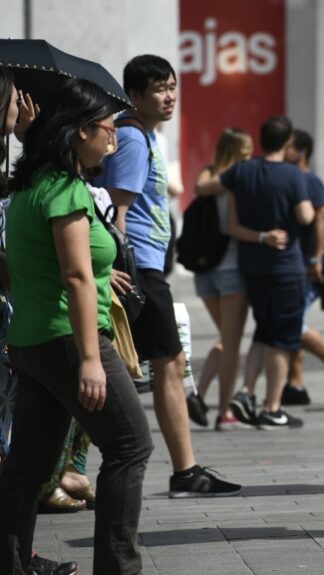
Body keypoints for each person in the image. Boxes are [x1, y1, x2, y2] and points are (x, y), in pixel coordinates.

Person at [0, 77, 155, 574]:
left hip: (32, 339)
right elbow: (76, 276)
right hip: (70, 339)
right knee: (131, 446)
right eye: (108, 129)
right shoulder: (65, 191)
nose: (114, 139)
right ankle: (118, 568)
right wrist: (91, 359)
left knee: (27, 469)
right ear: (81, 131)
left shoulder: (30, 186)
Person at [94, 54, 240, 497]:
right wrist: (118, 270)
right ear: (135, 95)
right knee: (167, 364)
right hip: (138, 268)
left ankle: (183, 468)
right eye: (159, 88)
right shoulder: (134, 138)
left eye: (172, 86)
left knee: (161, 363)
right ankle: (185, 471)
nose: (170, 95)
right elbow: (114, 210)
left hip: (148, 266)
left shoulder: (145, 136)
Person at [194, 115, 313, 430]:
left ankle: (245, 393)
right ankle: (272, 408)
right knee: (283, 340)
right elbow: (305, 215)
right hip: (286, 267)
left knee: (263, 330)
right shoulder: (292, 175)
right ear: (288, 143)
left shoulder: (241, 172)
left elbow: (206, 190)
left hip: (251, 268)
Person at [277, 129, 324, 406]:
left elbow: (322, 219)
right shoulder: (294, 179)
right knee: (292, 319)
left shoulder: (310, 182)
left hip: (307, 265)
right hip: (297, 262)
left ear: (300, 151)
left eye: (286, 147)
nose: (282, 152)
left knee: (293, 323)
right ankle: (295, 385)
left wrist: (315, 257)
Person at [187, 128, 253, 431]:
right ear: (240, 152)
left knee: (226, 338)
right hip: (231, 269)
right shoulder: (238, 179)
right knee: (232, 342)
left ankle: (199, 395)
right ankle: (225, 411)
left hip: (204, 269)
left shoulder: (209, 175)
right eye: (247, 151)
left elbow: (199, 188)